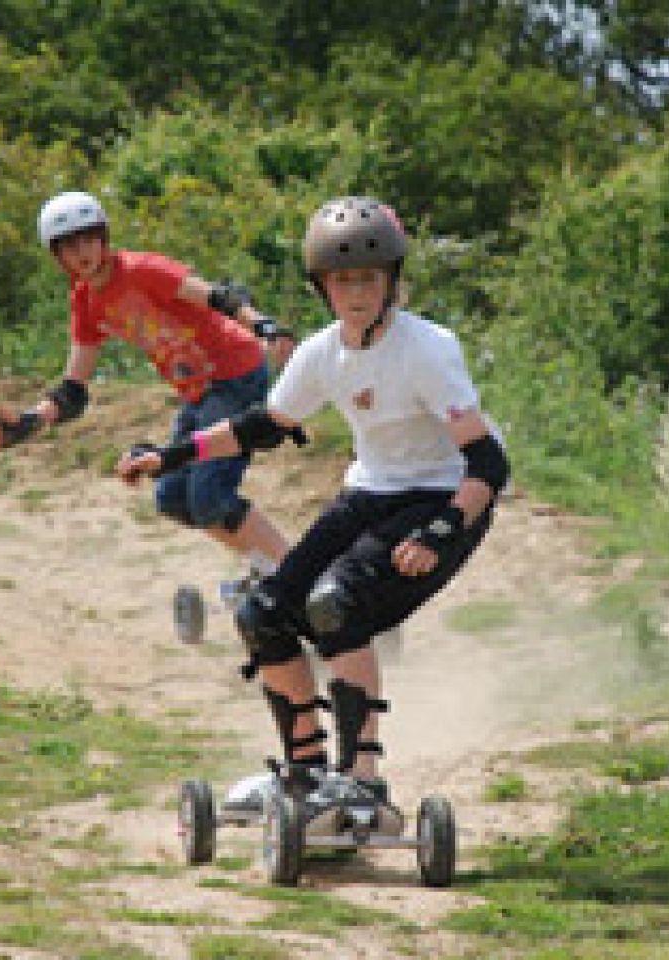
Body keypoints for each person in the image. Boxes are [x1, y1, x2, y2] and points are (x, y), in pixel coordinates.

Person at [117, 196, 510, 820]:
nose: (356, 293)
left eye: (369, 278)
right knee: (264, 609)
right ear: (323, 287)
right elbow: (260, 426)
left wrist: (440, 530)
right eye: (343, 280)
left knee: (336, 604)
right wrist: (171, 457)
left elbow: (488, 465)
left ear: (392, 282)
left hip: (445, 497)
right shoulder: (325, 352)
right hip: (373, 492)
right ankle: (304, 773)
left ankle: (362, 781)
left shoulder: (428, 349)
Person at [0, 190, 297, 585]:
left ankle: (295, 572)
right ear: (56, 257)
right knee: (173, 498)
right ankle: (267, 568)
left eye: (88, 238)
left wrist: (263, 325)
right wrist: (29, 422)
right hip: (198, 390)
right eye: (69, 246)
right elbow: (74, 390)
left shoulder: (141, 270)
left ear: (104, 238)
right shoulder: (86, 303)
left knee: (209, 497)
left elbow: (215, 296)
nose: (82, 252)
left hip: (234, 372)